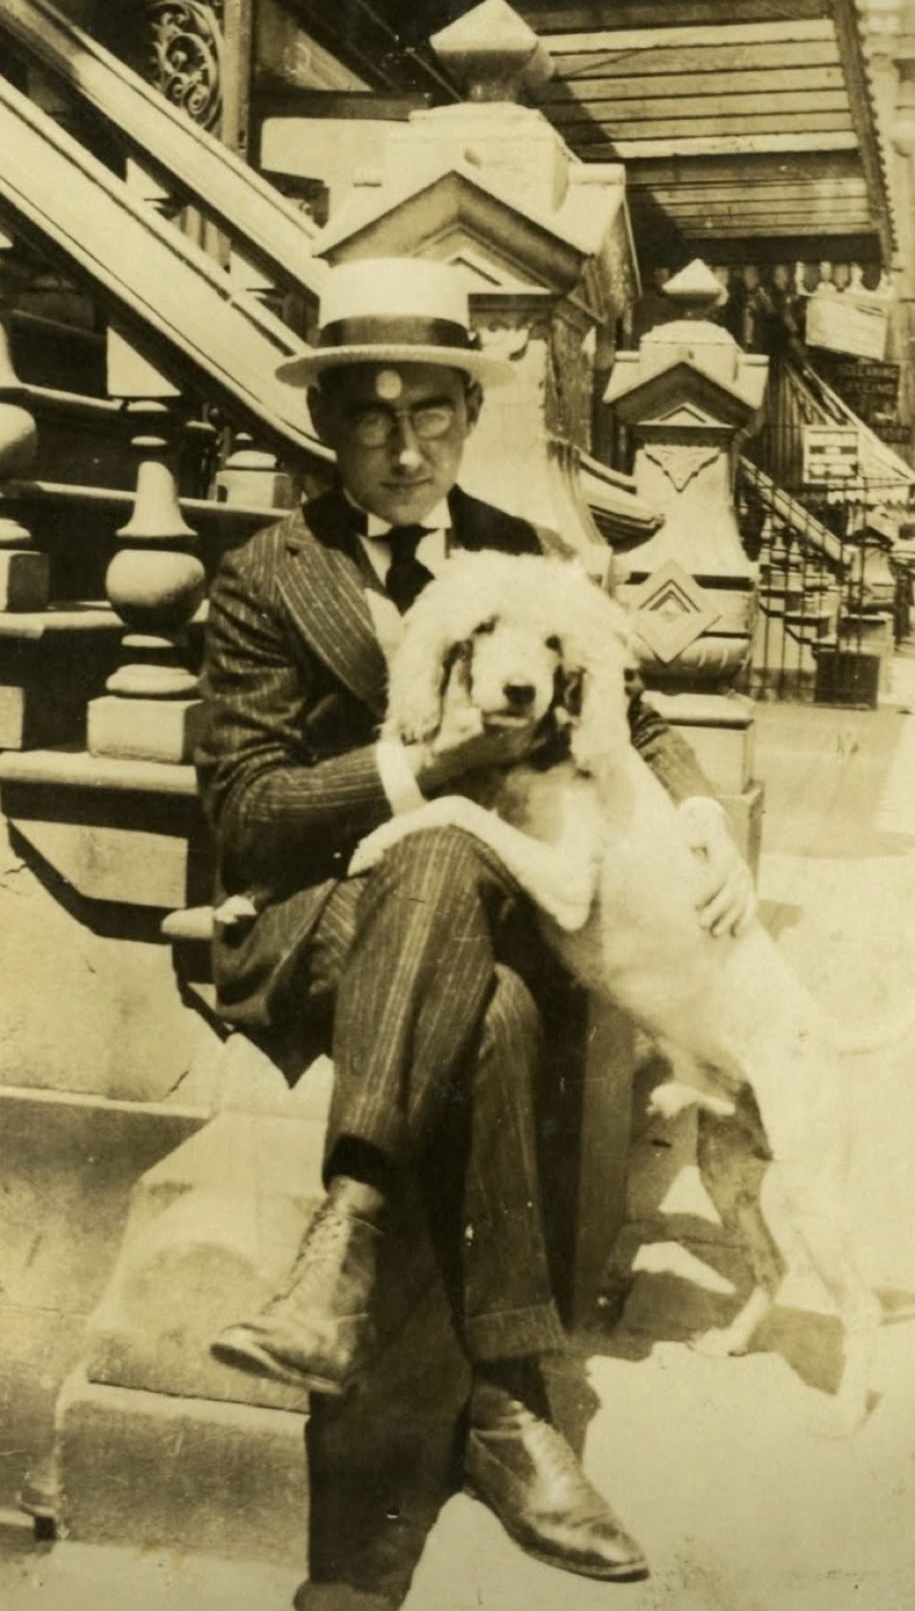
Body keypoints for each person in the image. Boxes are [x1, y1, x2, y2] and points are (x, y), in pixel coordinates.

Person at [196, 257, 755, 1588]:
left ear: (465, 412)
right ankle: (510, 1407)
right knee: (454, 877)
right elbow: (250, 814)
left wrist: (702, 813)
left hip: (482, 926)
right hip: (318, 920)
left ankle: (346, 1247)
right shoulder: (267, 578)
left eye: (431, 411)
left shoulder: (527, 557)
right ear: (328, 427)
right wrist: (430, 768)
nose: (403, 445)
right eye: (371, 416)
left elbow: (652, 713)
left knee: (494, 993)